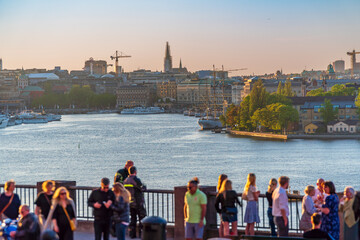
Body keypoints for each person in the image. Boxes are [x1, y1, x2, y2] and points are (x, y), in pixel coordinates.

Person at [123, 166, 147, 239]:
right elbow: (142, 188)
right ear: (135, 172)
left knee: (133, 219)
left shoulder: (125, 180)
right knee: (142, 218)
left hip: (130, 203)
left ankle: (132, 235)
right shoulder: (136, 180)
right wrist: (144, 186)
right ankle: (141, 235)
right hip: (138, 202)